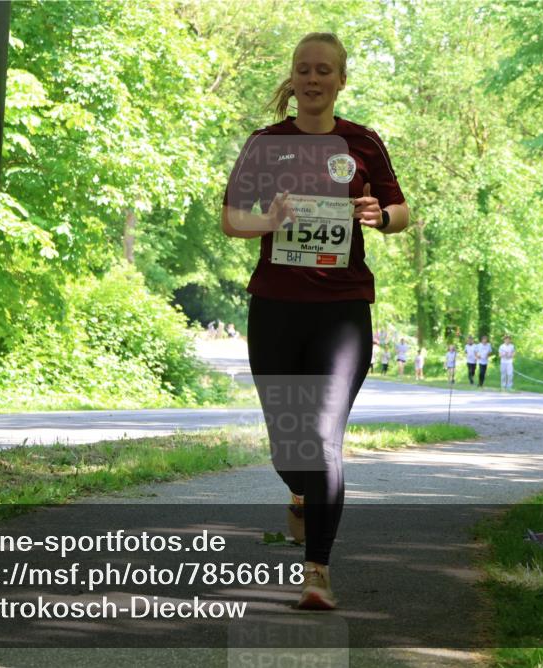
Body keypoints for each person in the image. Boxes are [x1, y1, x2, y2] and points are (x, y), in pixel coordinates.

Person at [221, 32, 410, 610]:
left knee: (323, 438)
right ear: (294, 79)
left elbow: (400, 211)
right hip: (276, 307)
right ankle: (303, 496)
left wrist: (380, 215)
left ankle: (317, 571)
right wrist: (269, 220)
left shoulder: (363, 142)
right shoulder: (266, 143)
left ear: (340, 80)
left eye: (323, 70)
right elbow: (232, 219)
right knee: (289, 448)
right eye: (303, 70)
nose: (312, 79)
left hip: (343, 311)